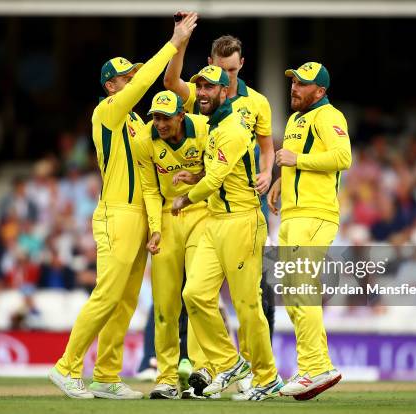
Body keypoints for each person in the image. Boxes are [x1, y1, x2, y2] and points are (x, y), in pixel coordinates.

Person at [48, 13, 198, 399]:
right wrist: (174, 42)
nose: (133, 80)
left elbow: (155, 168)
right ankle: (66, 367)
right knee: (107, 293)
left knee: (126, 299)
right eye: (126, 77)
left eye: (133, 75)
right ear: (111, 85)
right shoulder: (108, 112)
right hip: (115, 213)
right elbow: (148, 80)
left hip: (139, 215)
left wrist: (156, 221)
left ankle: (106, 375)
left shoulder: (135, 120)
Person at [164, 28, 276, 396]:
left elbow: (215, 179)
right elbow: (214, 170)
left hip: (242, 220)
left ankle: (267, 378)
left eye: (212, 87)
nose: (205, 92)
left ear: (226, 89)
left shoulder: (231, 127)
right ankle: (230, 363)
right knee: (194, 294)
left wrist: (186, 196)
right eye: (203, 86)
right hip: (216, 221)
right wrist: (196, 173)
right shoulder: (213, 126)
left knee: (247, 307)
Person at [267, 61, 351, 399]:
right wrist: (279, 182)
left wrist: (296, 162)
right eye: (293, 82)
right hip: (293, 215)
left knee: (302, 289)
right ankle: (314, 367)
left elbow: (343, 156)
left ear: (320, 91)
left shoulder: (329, 116)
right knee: (294, 293)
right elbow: (294, 161)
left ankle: (316, 367)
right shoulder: (295, 119)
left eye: (303, 84)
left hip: (316, 215)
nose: (295, 88)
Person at [135, 90, 213, 399]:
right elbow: (150, 190)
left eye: (166, 117)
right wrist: (155, 229)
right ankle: (166, 377)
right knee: (165, 304)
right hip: (168, 215)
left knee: (196, 293)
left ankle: (200, 372)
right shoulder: (144, 139)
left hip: (201, 211)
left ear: (181, 115)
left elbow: (217, 171)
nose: (159, 123)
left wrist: (195, 179)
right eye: (155, 117)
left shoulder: (203, 128)